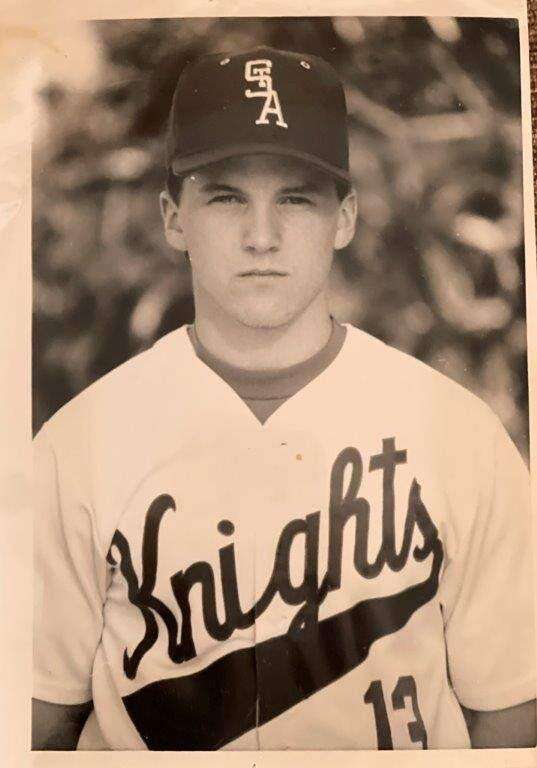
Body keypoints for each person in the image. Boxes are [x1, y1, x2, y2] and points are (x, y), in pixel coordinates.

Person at [32, 46, 535, 751]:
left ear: (345, 218)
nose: (260, 237)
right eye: (226, 196)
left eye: (295, 198)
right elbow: (35, 716)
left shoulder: (456, 432)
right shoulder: (77, 443)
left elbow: (508, 708)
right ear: (174, 218)